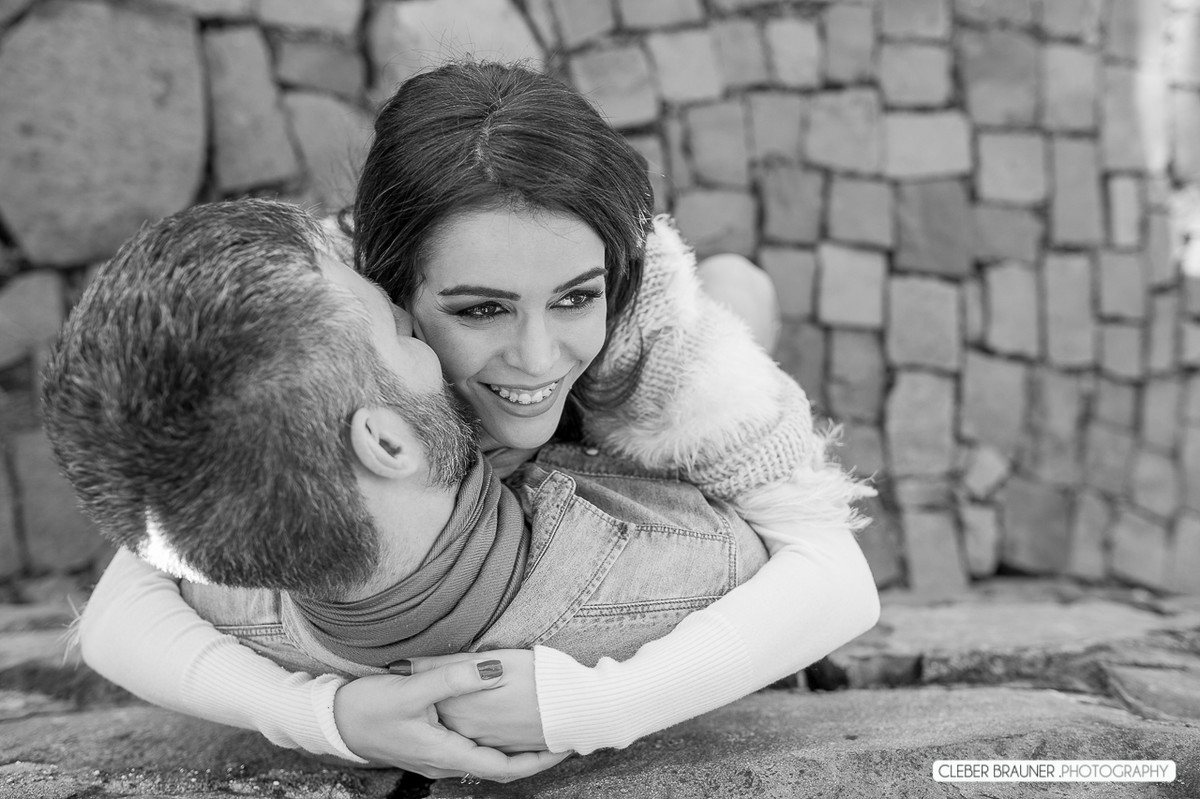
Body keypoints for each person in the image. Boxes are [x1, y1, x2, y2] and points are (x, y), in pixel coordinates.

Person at [72, 61, 879, 782]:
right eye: (482, 308)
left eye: (575, 295)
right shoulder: (341, 321)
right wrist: (330, 717)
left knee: (742, 290)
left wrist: (591, 704)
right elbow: (127, 594)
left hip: (634, 453)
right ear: (393, 290)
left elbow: (834, 573)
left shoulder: (657, 334)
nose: (535, 356)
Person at [44, 198, 774, 775]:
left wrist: (325, 715)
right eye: (397, 325)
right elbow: (803, 560)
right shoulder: (696, 561)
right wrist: (597, 704)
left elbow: (123, 600)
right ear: (386, 441)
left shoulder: (223, 553)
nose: (416, 323)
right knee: (742, 285)